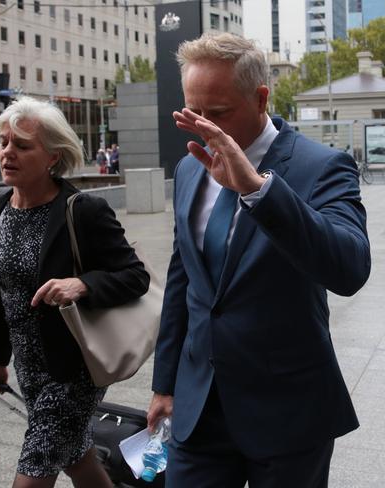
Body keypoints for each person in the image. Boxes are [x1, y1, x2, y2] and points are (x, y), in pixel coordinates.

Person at [147, 33, 371, 488]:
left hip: (287, 413)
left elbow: (349, 269)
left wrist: (258, 191)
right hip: (198, 409)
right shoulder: (191, 167)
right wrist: (165, 382)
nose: (205, 127)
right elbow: (182, 282)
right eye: (195, 112)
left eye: (220, 113)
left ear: (261, 97)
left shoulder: (323, 165)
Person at [0, 96, 150, 488]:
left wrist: (83, 284)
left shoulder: (83, 210)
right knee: (77, 458)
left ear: (53, 157)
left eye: (22, 145)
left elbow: (135, 276)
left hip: (73, 368)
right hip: (29, 366)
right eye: (4, 142)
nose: (7, 152)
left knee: (33, 473)